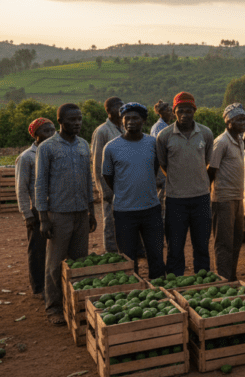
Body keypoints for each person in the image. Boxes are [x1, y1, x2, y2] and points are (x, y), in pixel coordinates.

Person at [34, 104, 96, 326]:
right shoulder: (47, 148)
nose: (77, 123)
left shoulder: (83, 144)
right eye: (72, 120)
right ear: (60, 121)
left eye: (79, 119)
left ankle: (76, 305)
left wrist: (92, 211)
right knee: (54, 264)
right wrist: (43, 218)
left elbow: (88, 180)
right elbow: (40, 184)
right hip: (59, 213)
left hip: (81, 212)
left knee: (79, 262)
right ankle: (54, 308)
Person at [102, 103, 165, 280]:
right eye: (127, 118)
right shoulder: (111, 147)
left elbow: (154, 168)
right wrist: (123, 191)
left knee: (156, 254)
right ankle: (132, 290)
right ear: (122, 121)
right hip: (124, 211)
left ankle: (158, 290)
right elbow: (108, 175)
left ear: (143, 121)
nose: (131, 121)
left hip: (151, 209)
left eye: (135, 118)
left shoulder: (152, 143)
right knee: (128, 258)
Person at [156, 92, 214, 276]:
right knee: (174, 247)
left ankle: (202, 283)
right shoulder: (164, 136)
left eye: (189, 110)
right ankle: (176, 286)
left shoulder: (205, 133)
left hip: (201, 199)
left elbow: (207, 161)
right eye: (180, 110)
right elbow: (164, 165)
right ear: (174, 112)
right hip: (175, 200)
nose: (185, 114)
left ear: (194, 111)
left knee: (202, 247)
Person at [15, 117, 56, 299]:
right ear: (36, 134)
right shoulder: (26, 157)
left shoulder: (55, 151)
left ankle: (54, 285)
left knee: (54, 248)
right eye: (46, 131)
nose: (51, 134)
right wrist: (27, 214)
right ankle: (38, 287)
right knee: (37, 250)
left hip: (56, 209)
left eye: (53, 130)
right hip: (36, 210)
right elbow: (21, 188)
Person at [209, 104, 245, 282]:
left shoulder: (240, 140)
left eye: (244, 119)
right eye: (238, 120)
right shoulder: (221, 142)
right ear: (228, 122)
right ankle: (223, 279)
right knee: (224, 242)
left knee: (236, 239)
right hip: (223, 199)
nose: (243, 123)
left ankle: (231, 276)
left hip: (237, 197)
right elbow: (211, 171)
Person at [92, 97, 124, 253]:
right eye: (118, 107)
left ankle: (124, 251)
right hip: (110, 186)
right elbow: (97, 163)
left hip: (124, 185)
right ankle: (111, 250)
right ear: (109, 110)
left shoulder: (123, 128)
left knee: (123, 220)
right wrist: (104, 189)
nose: (121, 110)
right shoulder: (102, 131)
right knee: (110, 220)